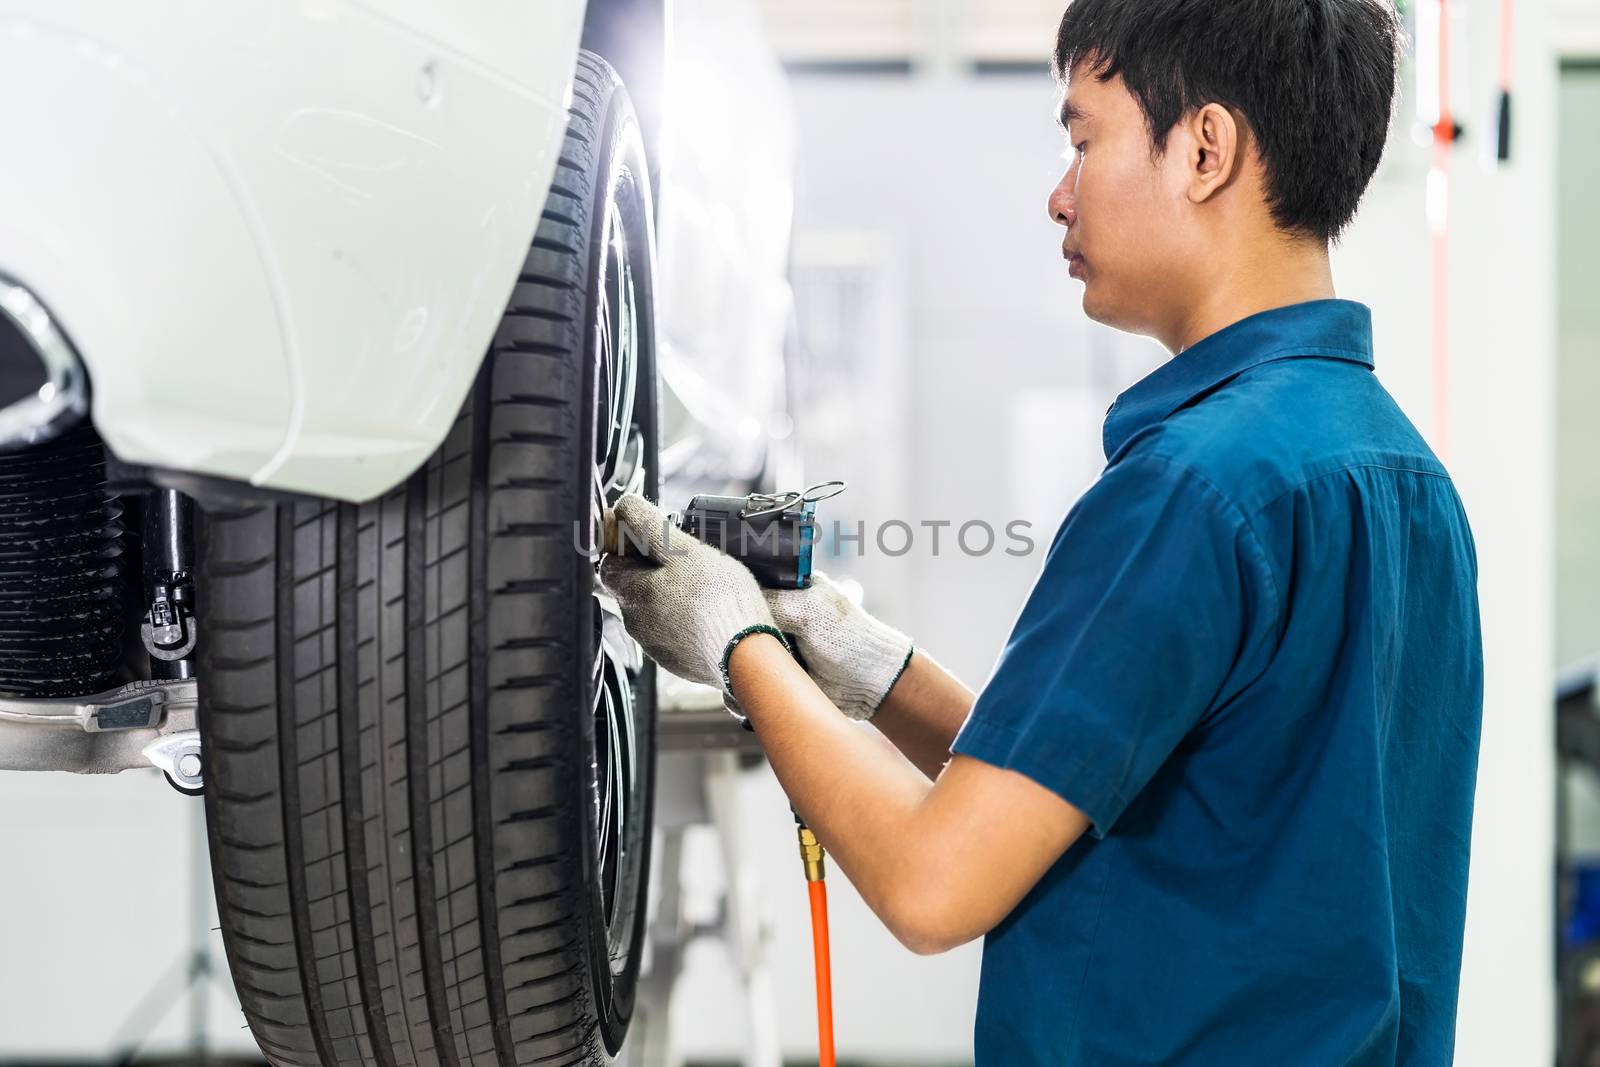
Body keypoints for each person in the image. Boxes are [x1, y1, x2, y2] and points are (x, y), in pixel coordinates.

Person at [600, 0, 1483, 1062]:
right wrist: (872, 669)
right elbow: (1122, 782)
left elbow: (935, 881)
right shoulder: (1402, 479)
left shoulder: (1191, 490)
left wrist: (738, 650)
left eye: (1082, 136)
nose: (1057, 194)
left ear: (1204, 148)